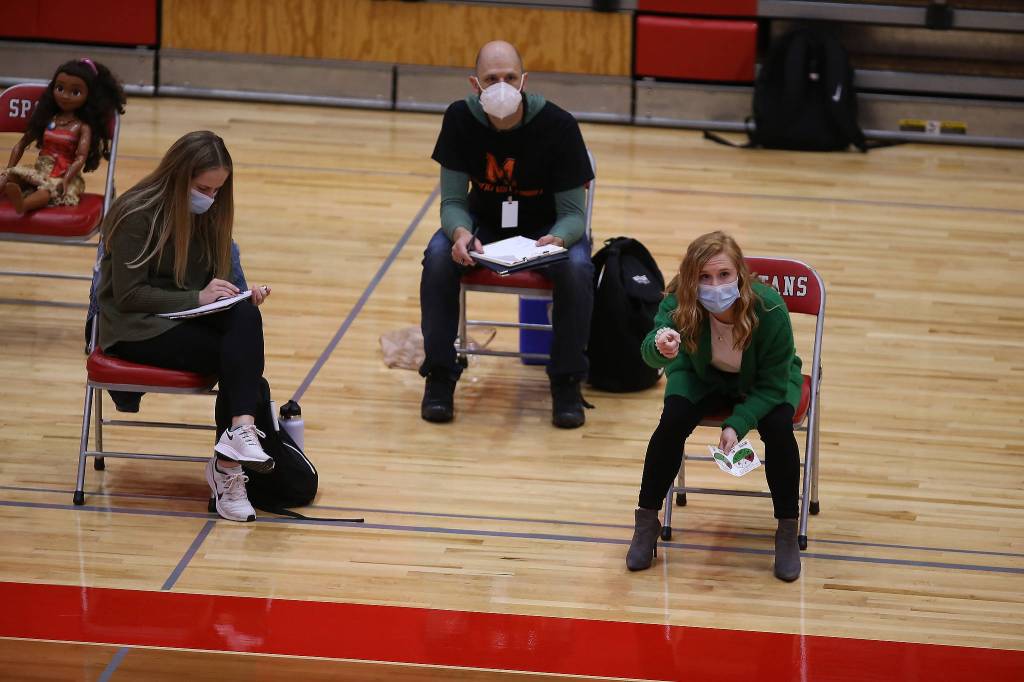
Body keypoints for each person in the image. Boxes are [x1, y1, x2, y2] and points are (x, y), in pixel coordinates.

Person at [97, 131, 274, 523]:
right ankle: (229, 468)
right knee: (243, 370)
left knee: (246, 318)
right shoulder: (135, 214)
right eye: (202, 188)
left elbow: (219, 281)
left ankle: (239, 434)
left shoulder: (212, 212)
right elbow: (127, 296)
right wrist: (195, 299)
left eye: (217, 189)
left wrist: (239, 295)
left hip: (184, 323)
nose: (209, 198)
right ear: (177, 176)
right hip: (134, 331)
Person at [420, 40, 595, 429]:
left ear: (524, 80)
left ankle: (566, 380)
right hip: (484, 225)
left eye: (510, 77)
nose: (502, 85)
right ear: (475, 84)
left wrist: (559, 239)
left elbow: (573, 215)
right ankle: (440, 375)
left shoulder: (559, 125)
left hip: (547, 231)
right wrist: (461, 232)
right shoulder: (459, 119)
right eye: (491, 78)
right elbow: (451, 201)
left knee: (579, 268)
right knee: (436, 257)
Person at [625, 231, 805, 581]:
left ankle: (786, 529)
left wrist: (737, 422)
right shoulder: (680, 301)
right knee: (672, 421)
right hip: (701, 374)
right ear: (692, 279)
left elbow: (771, 385)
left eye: (723, 275)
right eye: (704, 277)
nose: (715, 284)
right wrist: (659, 345)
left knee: (778, 428)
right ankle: (646, 523)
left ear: (740, 272)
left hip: (763, 382)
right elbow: (650, 350)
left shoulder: (769, 309)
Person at [1, 58, 125, 214]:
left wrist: (66, 179)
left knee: (48, 191)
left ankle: (23, 205)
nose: (65, 96)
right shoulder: (47, 119)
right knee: (8, 177)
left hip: (62, 174)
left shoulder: (82, 127)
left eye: (75, 92)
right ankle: (12, 188)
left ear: (89, 96)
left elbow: (80, 157)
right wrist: (9, 168)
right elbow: (21, 144)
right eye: (60, 88)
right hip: (40, 171)